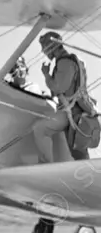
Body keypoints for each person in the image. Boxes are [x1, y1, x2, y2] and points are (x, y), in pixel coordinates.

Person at [32, 32, 90, 164]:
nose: (43, 51)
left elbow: (58, 87)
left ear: (52, 45)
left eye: (44, 47)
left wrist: (46, 74)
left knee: (40, 128)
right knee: (80, 151)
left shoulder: (64, 62)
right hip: (79, 110)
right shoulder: (75, 60)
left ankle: (46, 165)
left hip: (72, 111)